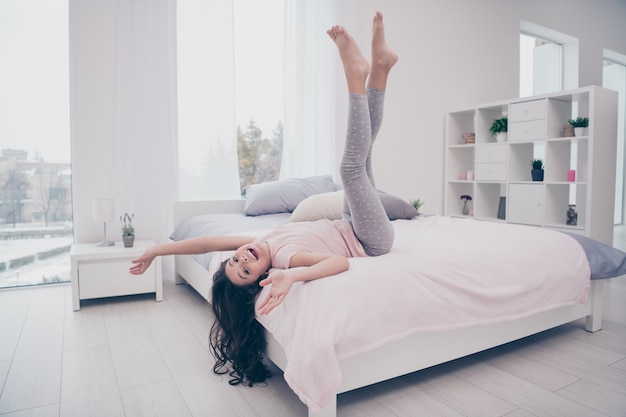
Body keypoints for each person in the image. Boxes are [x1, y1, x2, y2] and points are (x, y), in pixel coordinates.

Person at [129, 11, 398, 387]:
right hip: (371, 240)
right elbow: (338, 262)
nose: (242, 257)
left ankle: (380, 72)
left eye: (236, 260)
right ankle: (357, 78)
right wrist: (293, 275)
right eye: (245, 269)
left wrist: (158, 250)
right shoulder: (285, 259)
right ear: (262, 279)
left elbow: (208, 242)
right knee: (351, 168)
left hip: (348, 221)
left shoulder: (264, 241)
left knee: (363, 157)